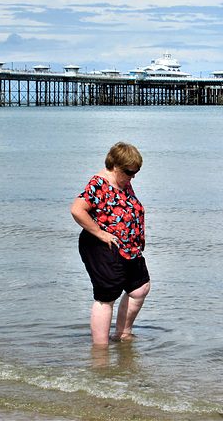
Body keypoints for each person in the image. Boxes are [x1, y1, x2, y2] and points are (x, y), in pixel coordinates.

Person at [71, 142, 151, 345]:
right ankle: (100, 349)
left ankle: (122, 334)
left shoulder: (123, 180)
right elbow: (77, 209)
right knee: (107, 296)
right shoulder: (98, 184)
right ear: (115, 166)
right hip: (102, 247)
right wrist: (101, 234)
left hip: (127, 246)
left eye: (136, 171)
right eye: (129, 171)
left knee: (139, 288)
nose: (133, 176)